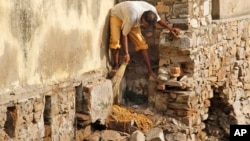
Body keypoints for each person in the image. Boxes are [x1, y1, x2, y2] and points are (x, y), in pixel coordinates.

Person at [109, 1, 180, 78]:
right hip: (117, 15)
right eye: (145, 24)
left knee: (142, 45)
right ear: (142, 18)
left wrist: (170, 28)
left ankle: (150, 71)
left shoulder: (152, 11)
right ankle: (115, 65)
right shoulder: (132, 16)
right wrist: (126, 53)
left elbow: (158, 20)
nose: (145, 27)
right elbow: (124, 34)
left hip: (132, 20)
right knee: (115, 41)